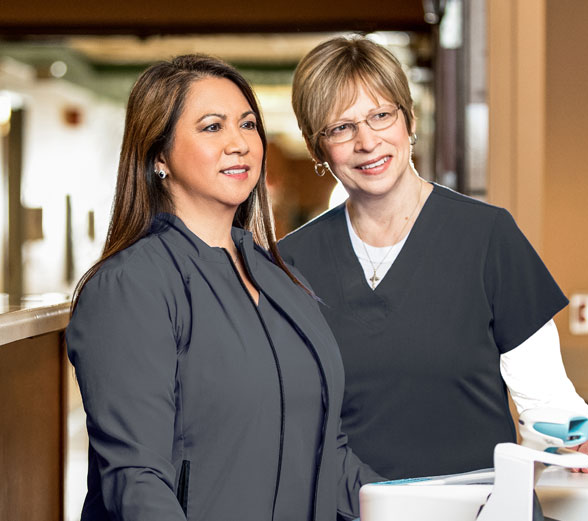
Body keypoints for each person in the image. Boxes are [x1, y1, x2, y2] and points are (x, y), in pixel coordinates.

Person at [279, 35, 588, 481]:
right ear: (317, 147)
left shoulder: (488, 236)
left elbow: (544, 397)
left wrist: (583, 442)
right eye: (341, 128)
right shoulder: (291, 264)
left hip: (479, 507)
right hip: (355, 510)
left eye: (381, 115)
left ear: (409, 120)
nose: (367, 141)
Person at [66, 55, 382, 521]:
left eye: (248, 124)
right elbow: (136, 481)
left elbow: (328, 458)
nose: (240, 143)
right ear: (158, 156)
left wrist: (433, 506)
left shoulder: (282, 280)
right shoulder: (131, 286)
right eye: (213, 127)